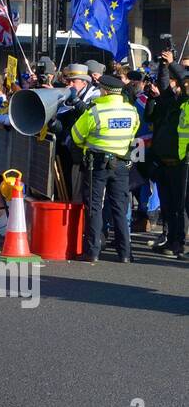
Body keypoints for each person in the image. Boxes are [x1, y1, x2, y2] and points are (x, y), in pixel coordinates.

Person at [71, 74, 140, 264]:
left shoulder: (95, 111)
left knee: (94, 207)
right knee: (120, 207)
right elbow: (133, 133)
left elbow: (76, 136)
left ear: (105, 90)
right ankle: (125, 253)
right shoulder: (131, 111)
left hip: (97, 164)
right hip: (121, 164)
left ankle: (92, 251)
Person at [147, 54, 188, 256]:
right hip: (165, 162)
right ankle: (172, 240)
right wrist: (164, 66)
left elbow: (185, 79)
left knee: (179, 206)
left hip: (183, 162)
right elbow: (164, 88)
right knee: (168, 205)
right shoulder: (173, 101)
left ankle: (178, 243)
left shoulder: (187, 101)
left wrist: (172, 63)